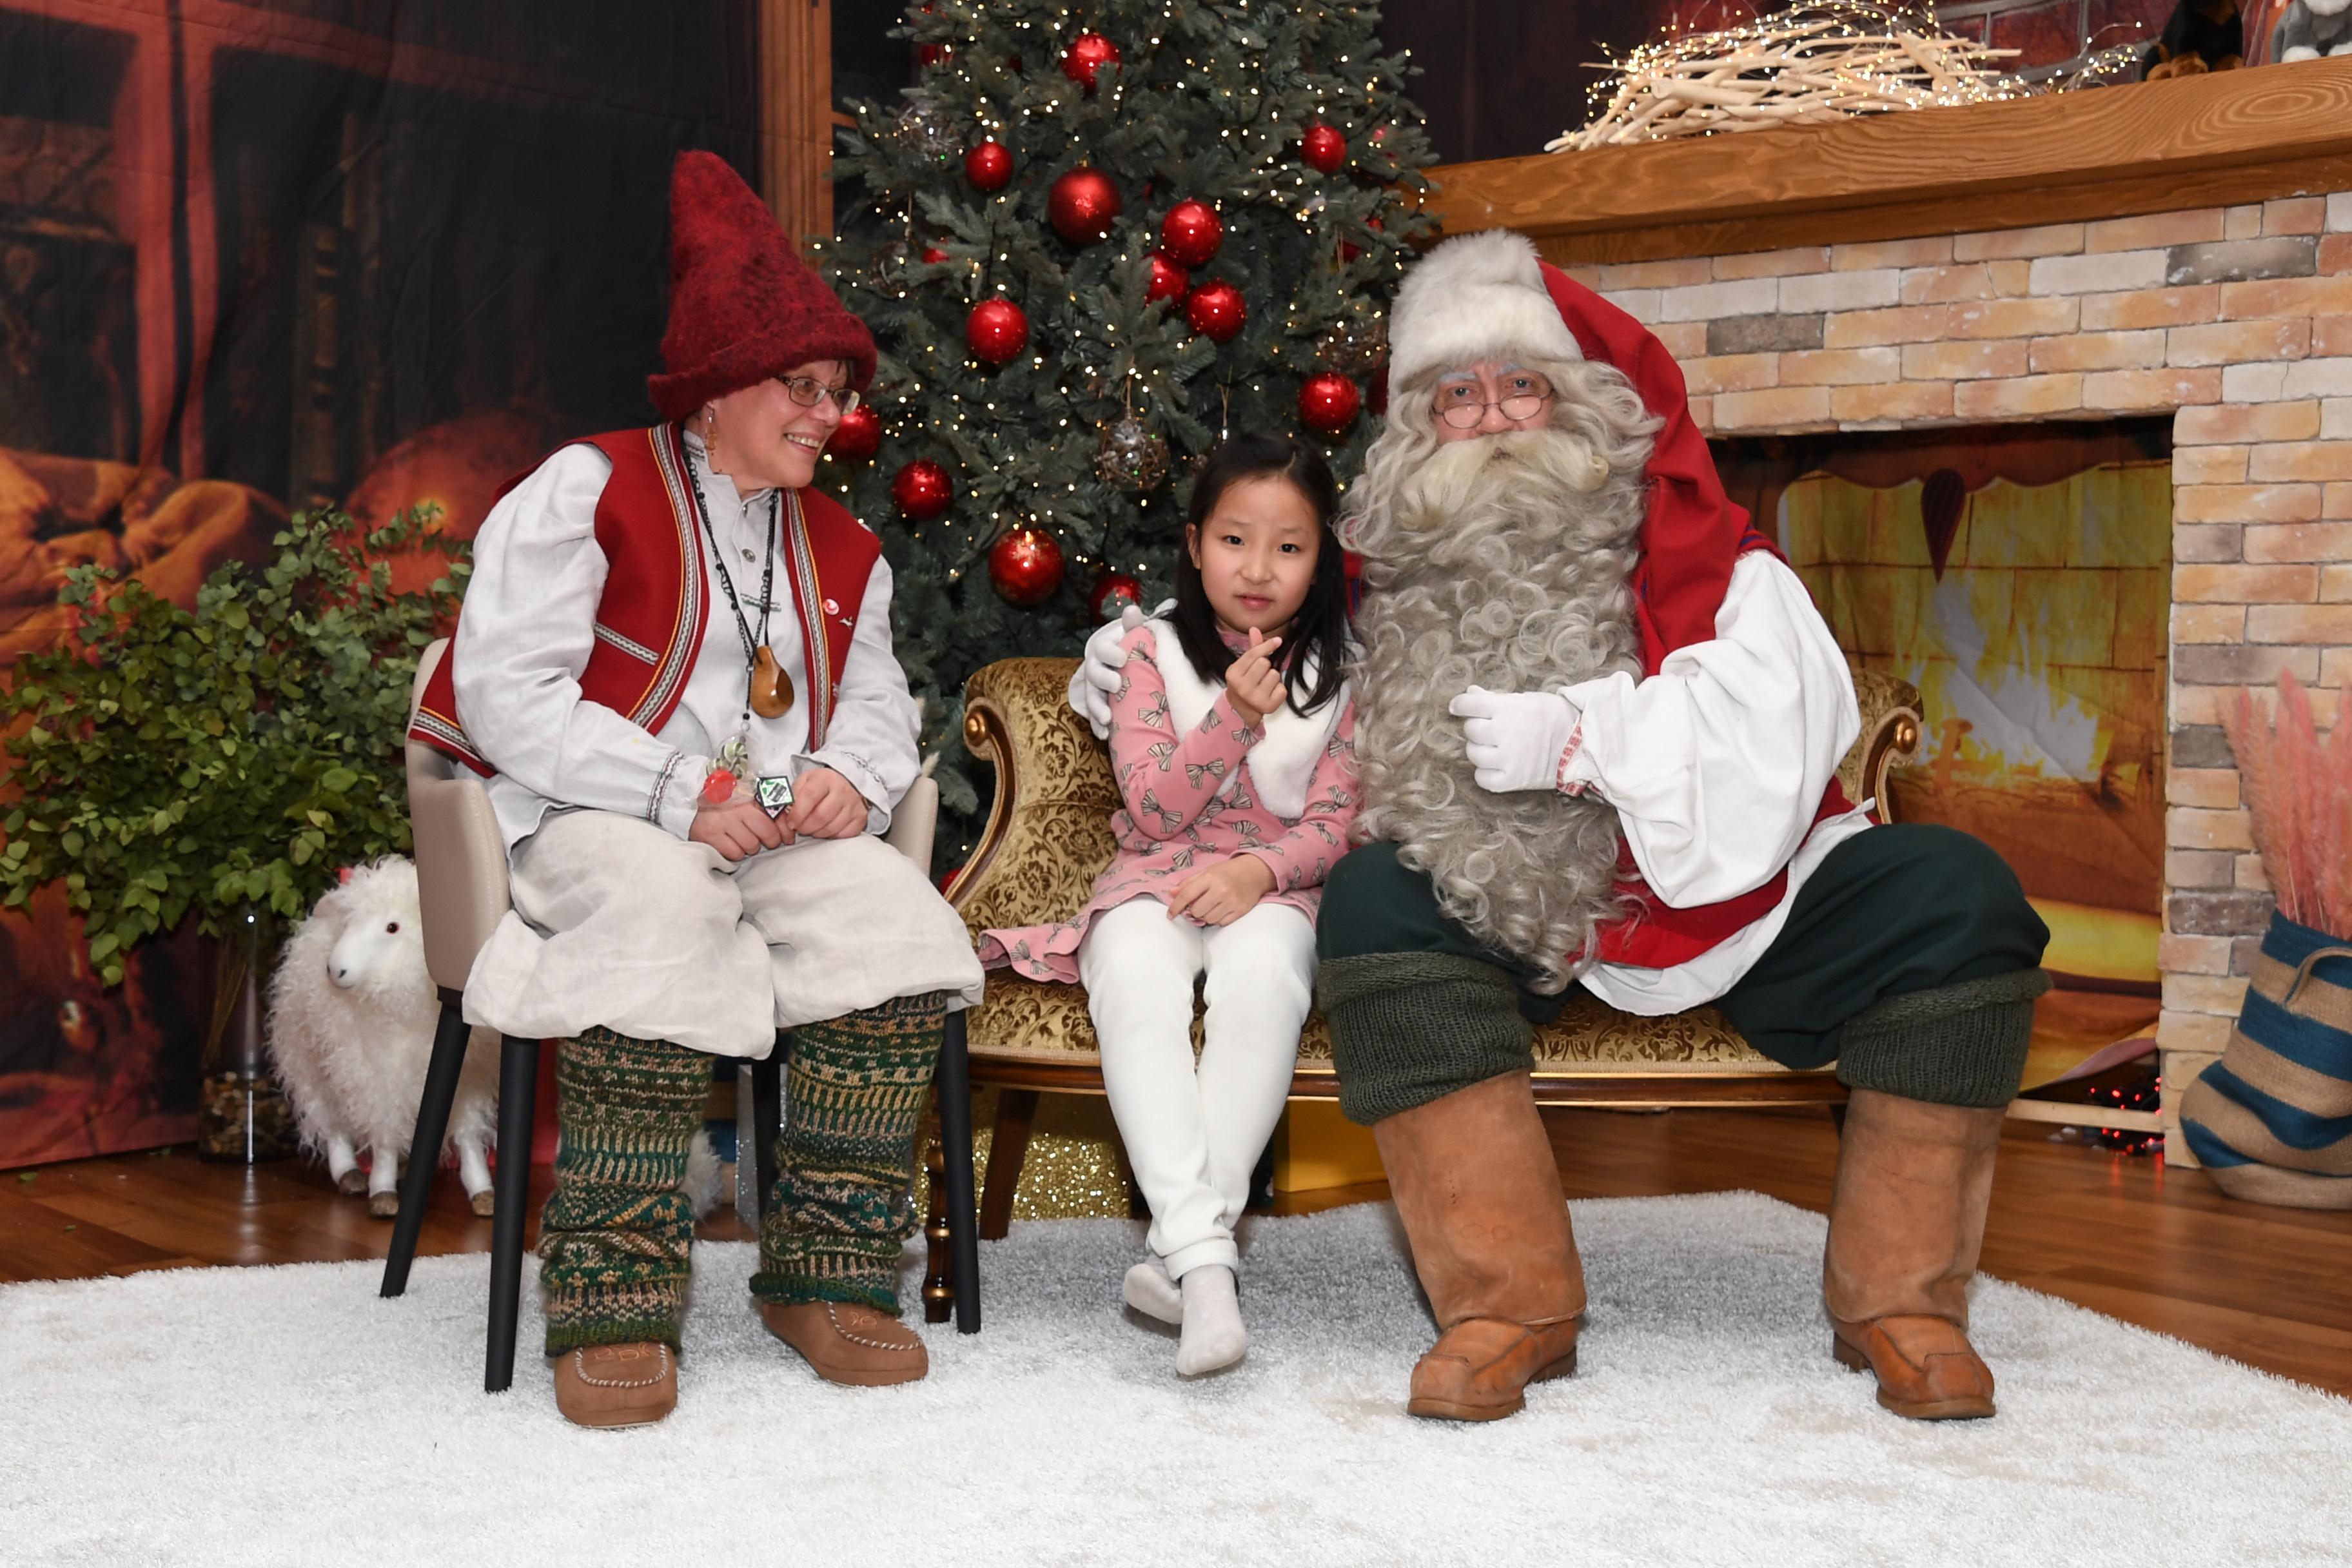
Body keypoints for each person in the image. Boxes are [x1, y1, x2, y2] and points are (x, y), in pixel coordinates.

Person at [1073, 230, 2049, 1425]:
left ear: (1580, 402)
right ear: (1418, 430)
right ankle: (1506, 1304)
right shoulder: (1378, 584)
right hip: (1498, 911)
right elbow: (1244, 610)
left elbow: (1791, 726)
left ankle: (1906, 1305)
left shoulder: (1705, 556)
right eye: (1457, 394)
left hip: (1715, 902)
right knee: (1380, 900)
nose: (1491, 417)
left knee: (1961, 894)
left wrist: (1587, 739)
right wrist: (1133, 659)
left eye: (1521, 384)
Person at [409, 152, 985, 1428]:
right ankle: (612, 1291)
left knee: (893, 925)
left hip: (767, 831)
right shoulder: (586, 488)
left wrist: (843, 770)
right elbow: (510, 697)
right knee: (660, 907)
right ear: (719, 387)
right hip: (588, 820)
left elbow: (881, 700)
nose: (829, 414)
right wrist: (678, 786)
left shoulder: (846, 548)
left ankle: (826, 1273)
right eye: (803, 386)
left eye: (838, 392)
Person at [986, 437, 1359, 1377]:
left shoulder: (1351, 673)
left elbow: (1340, 821)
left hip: (1276, 883)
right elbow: (1153, 805)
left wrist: (1260, 876)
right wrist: (1234, 717)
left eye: (1289, 547)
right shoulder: (1146, 651)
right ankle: (1206, 1270)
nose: (1259, 569)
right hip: (1152, 874)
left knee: (1267, 975)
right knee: (1139, 981)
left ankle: (1180, 1260)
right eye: (1236, 540)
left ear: (1322, 559)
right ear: (1195, 545)